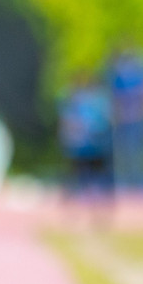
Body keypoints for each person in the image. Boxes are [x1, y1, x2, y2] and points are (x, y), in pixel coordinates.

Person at [60, 73, 114, 211]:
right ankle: (76, 202)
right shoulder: (75, 102)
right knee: (80, 176)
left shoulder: (97, 103)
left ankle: (97, 203)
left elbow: (103, 123)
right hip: (81, 147)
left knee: (94, 177)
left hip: (93, 147)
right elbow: (68, 124)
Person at [108, 45, 143, 189]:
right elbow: (115, 97)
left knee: (138, 152)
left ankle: (139, 181)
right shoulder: (119, 76)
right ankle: (125, 181)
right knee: (123, 152)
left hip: (137, 118)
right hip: (124, 118)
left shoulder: (139, 75)